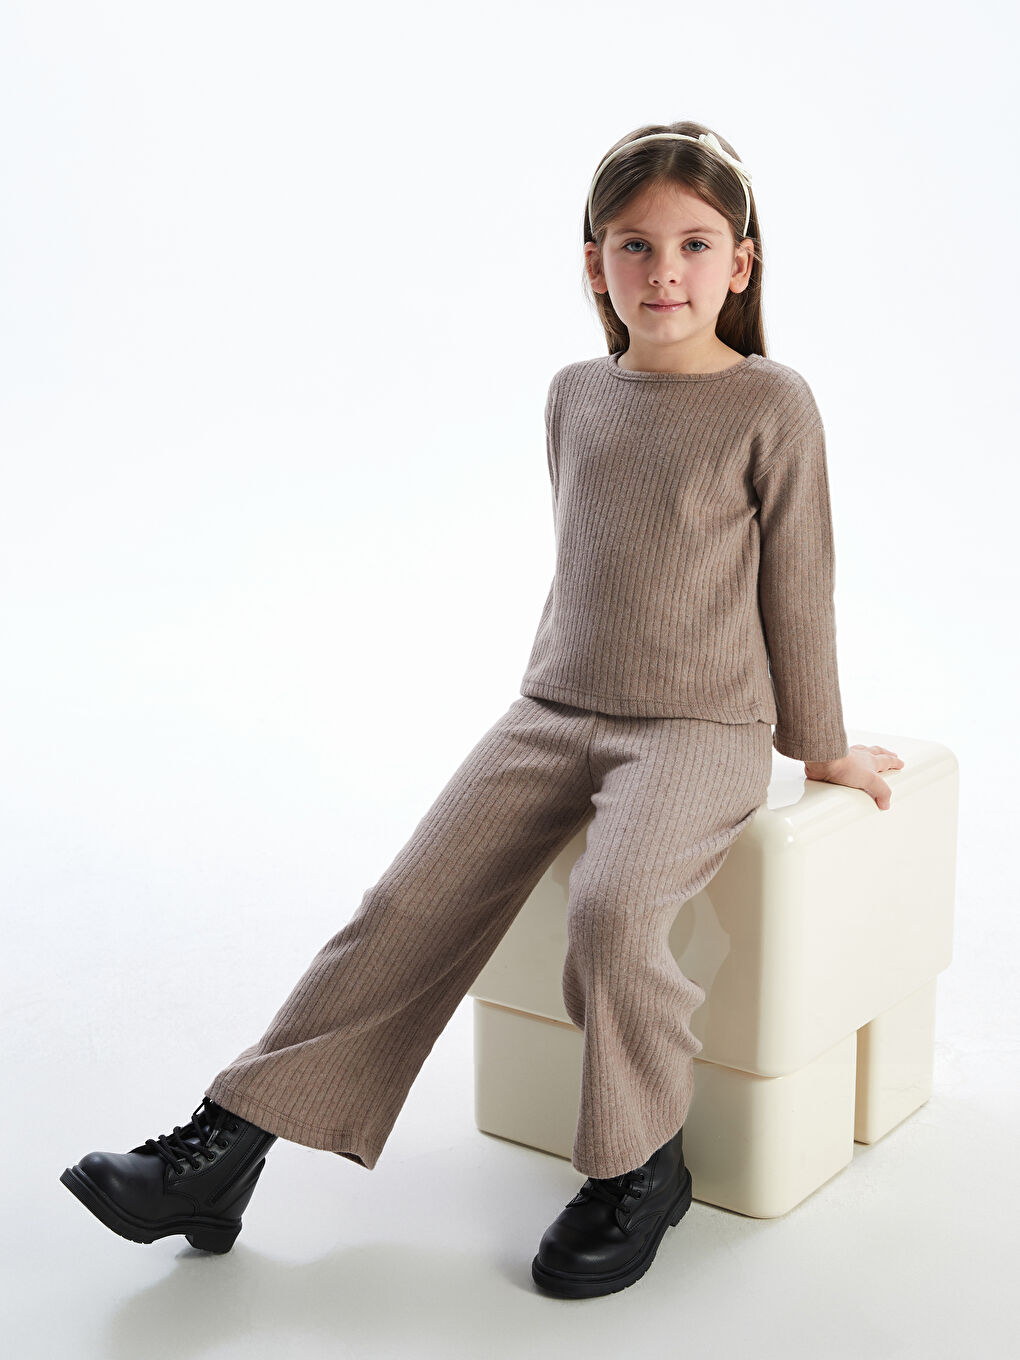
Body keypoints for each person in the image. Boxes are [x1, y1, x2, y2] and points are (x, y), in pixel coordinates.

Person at [60, 118, 904, 1299]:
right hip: (552, 708)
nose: (665, 271)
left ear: (742, 263)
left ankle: (640, 1164)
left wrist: (821, 746)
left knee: (611, 909)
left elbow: (797, 589)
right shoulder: (574, 395)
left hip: (699, 727)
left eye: (695, 245)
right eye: (635, 244)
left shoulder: (773, 404)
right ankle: (227, 1144)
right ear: (594, 264)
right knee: (402, 905)